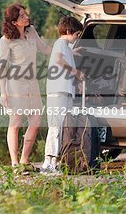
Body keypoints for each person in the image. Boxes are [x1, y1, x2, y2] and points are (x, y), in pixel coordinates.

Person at [0, 3, 51, 173]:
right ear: (14, 22)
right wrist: (3, 92)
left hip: (32, 83)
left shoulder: (31, 32)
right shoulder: (6, 40)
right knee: (15, 123)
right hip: (15, 85)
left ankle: (24, 160)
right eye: (21, 16)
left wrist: (64, 46)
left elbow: (44, 49)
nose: (26, 17)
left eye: (25, 14)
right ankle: (15, 164)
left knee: (36, 121)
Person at [41, 16, 84, 174]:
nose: (77, 37)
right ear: (68, 31)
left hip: (64, 92)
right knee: (56, 127)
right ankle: (48, 163)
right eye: (76, 34)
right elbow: (59, 60)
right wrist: (76, 72)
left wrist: (73, 52)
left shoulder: (65, 46)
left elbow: (63, 55)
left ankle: (55, 161)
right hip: (57, 92)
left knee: (62, 127)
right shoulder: (60, 43)